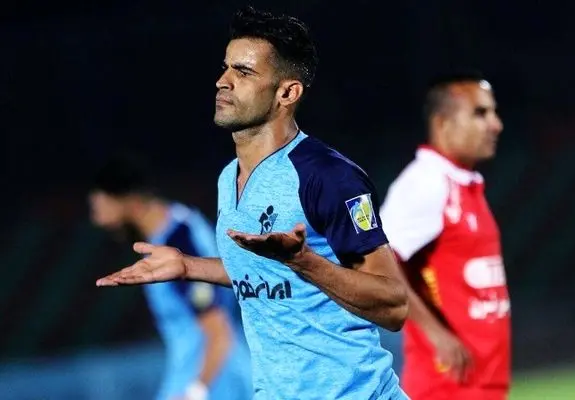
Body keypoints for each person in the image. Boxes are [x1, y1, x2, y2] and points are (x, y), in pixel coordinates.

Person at [96, 6, 410, 400]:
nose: (222, 81)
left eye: (243, 72)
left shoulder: (327, 176)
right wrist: (188, 266)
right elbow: (266, 273)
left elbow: (394, 306)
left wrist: (304, 261)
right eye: (225, 68)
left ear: (287, 93)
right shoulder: (228, 178)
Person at [379, 72, 511, 400]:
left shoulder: (462, 182)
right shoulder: (426, 182)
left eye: (493, 112)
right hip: (447, 384)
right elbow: (377, 259)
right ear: (442, 123)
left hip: (481, 381)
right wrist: (435, 333)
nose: (495, 125)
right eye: (480, 113)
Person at [89, 153, 252, 400]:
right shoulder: (176, 227)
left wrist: (196, 391)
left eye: (99, 208)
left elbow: (219, 331)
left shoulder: (178, 244)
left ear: (127, 201)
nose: (97, 220)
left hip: (215, 380)